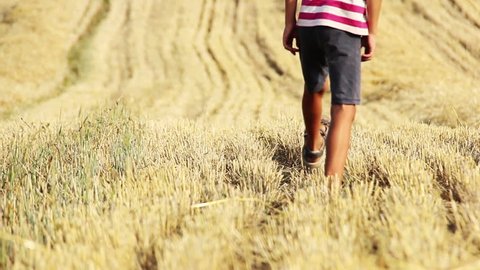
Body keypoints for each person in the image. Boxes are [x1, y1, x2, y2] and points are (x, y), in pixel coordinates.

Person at [283, 0, 382, 179]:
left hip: (309, 22)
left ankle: (313, 148)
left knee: (314, 87)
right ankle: (331, 190)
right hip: (345, 22)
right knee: (344, 106)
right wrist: (372, 31)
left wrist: (289, 22)